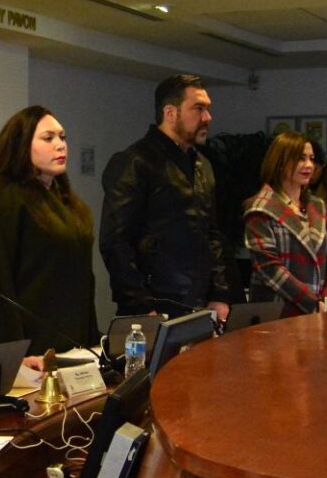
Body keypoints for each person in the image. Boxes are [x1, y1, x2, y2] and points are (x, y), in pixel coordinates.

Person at [99, 74, 233, 321]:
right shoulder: (134, 162)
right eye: (198, 108)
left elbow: (211, 234)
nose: (207, 117)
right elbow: (115, 242)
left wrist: (220, 292)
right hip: (155, 304)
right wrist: (140, 306)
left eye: (208, 109)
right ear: (170, 113)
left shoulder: (202, 165)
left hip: (199, 302)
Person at [0, 105, 98, 352]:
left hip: (72, 339)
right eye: (48, 138)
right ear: (22, 145)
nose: (60, 145)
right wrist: (15, 352)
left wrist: (91, 341)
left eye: (62, 137)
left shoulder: (64, 199)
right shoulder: (3, 198)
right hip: (29, 345)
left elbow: (82, 279)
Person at [244, 132, 327, 316]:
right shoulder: (260, 208)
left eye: (311, 159)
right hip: (277, 313)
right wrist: (312, 303)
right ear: (280, 162)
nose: (309, 165)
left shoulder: (320, 207)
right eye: (300, 158)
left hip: (321, 312)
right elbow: (269, 269)